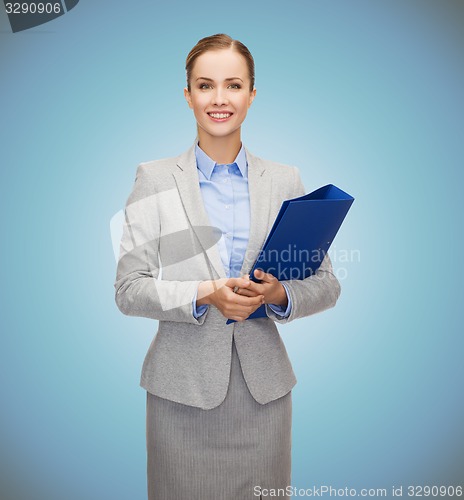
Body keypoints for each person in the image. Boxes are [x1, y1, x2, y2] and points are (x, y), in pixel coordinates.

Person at [114, 33, 341, 500]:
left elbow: (326, 283)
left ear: (252, 95)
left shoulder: (285, 179)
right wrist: (204, 292)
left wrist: (278, 295)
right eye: (205, 86)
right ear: (188, 95)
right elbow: (129, 289)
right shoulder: (154, 178)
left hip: (265, 396)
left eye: (233, 85)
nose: (219, 99)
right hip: (181, 396)